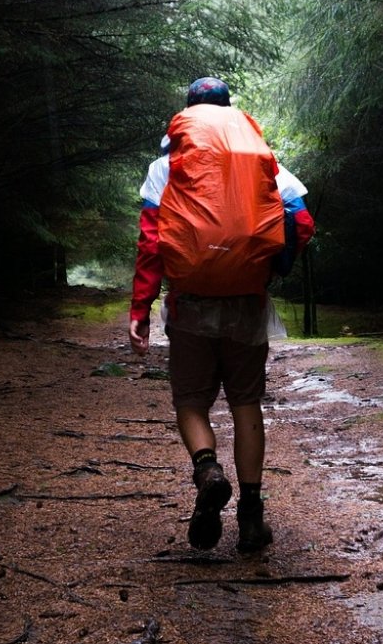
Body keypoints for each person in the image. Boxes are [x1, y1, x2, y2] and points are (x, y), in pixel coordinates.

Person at [128, 77, 315, 552]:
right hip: (247, 302)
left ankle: (207, 469)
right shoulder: (259, 158)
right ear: (230, 112)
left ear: (188, 115)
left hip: (189, 300)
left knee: (191, 401)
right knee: (245, 403)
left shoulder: (166, 165)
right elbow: (302, 220)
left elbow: (151, 241)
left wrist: (141, 308)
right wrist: (273, 265)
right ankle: (252, 519)